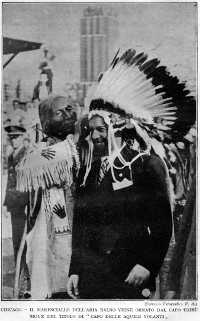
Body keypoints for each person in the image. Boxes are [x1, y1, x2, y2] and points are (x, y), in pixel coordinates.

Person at [16, 95, 79, 299]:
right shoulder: (40, 153)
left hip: (76, 223)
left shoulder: (76, 147)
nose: (69, 115)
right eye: (60, 112)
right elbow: (26, 170)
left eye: (70, 109)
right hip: (46, 225)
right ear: (45, 121)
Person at [4, 124, 28, 263]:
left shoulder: (26, 154)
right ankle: (18, 273)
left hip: (23, 204)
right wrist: (7, 203)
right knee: (16, 238)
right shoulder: (12, 156)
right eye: (11, 138)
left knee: (23, 239)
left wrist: (27, 203)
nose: (13, 141)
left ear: (23, 137)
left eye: (16, 137)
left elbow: (27, 182)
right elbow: (10, 181)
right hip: (14, 204)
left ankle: (24, 273)